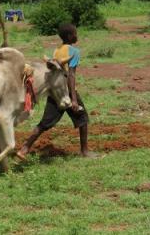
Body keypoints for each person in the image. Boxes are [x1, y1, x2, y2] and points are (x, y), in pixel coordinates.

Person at [16, 23, 98, 160]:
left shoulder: (57, 51)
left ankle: (24, 148)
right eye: (75, 33)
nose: (77, 35)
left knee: (44, 123)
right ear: (69, 36)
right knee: (83, 119)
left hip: (54, 92)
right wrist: (74, 99)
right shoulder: (74, 52)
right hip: (67, 92)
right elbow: (71, 75)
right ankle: (85, 151)